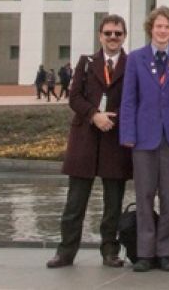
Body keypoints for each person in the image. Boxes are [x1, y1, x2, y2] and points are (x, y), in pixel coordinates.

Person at [46, 15, 133, 269]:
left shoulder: (131, 63)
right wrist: (95, 115)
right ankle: (66, 252)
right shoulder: (86, 63)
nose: (113, 38)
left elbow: (133, 98)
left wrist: (112, 118)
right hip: (86, 137)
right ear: (100, 36)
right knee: (75, 203)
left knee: (113, 203)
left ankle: (109, 251)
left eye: (118, 33)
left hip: (114, 139)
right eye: (108, 33)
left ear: (124, 36)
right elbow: (74, 97)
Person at [119, 5, 169, 272]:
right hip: (143, 138)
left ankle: (166, 252)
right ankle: (145, 253)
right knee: (144, 196)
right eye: (158, 26)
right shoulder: (136, 58)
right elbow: (128, 100)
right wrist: (128, 134)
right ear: (150, 29)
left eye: (167, 27)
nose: (162, 31)